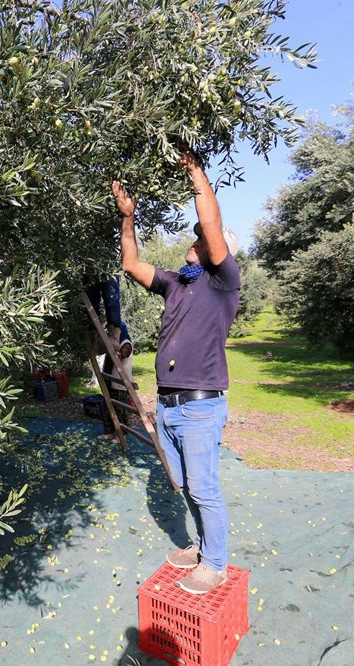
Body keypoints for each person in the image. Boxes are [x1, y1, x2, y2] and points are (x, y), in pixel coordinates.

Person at [112, 149, 241, 595]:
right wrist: (128, 218)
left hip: (200, 407)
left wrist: (194, 171)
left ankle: (216, 564)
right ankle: (203, 548)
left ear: (218, 251)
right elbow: (131, 265)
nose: (196, 238)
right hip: (168, 406)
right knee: (186, 484)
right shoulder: (176, 283)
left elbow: (210, 223)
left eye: (203, 239)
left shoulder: (224, 283)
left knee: (204, 488)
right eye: (197, 236)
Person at [98, 321, 133, 441]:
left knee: (120, 410)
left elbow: (123, 353)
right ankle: (109, 432)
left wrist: (117, 350)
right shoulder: (112, 342)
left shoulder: (126, 342)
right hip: (108, 381)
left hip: (119, 383)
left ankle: (121, 435)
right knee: (107, 408)